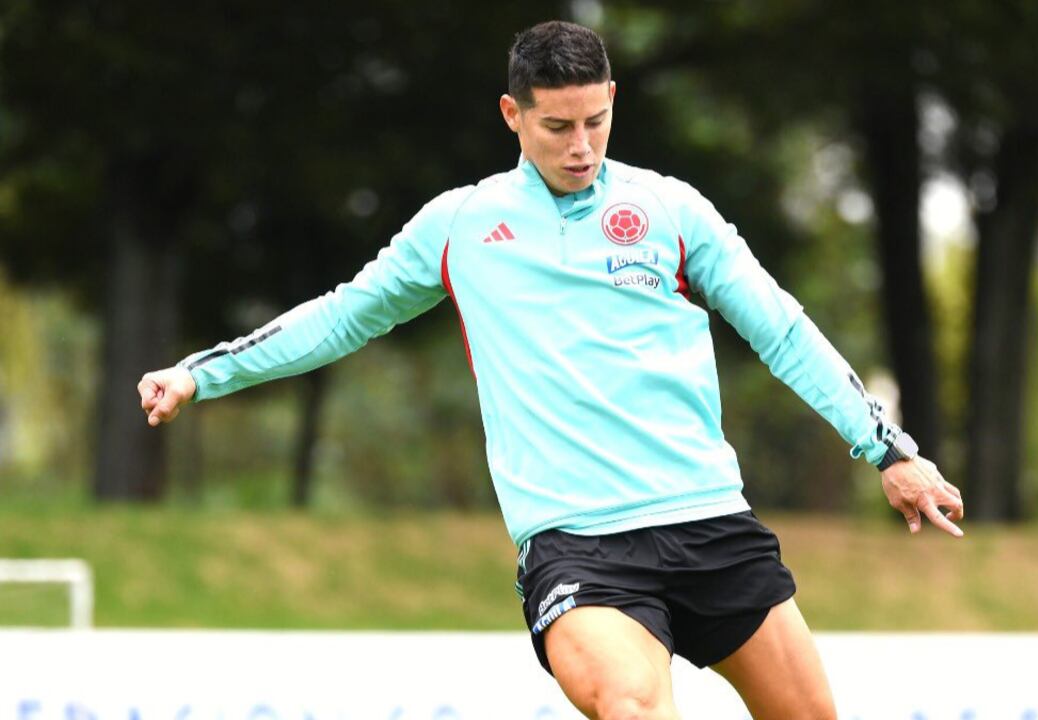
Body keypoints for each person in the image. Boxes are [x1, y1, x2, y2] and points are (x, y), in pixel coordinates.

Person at [137, 20, 964, 720]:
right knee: (633, 708)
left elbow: (782, 329)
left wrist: (887, 450)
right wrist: (200, 374)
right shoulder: (460, 225)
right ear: (512, 114)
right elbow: (342, 315)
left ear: (613, 104)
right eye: (557, 127)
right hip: (579, 546)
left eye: (596, 123)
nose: (580, 147)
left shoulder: (673, 210)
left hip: (710, 521)